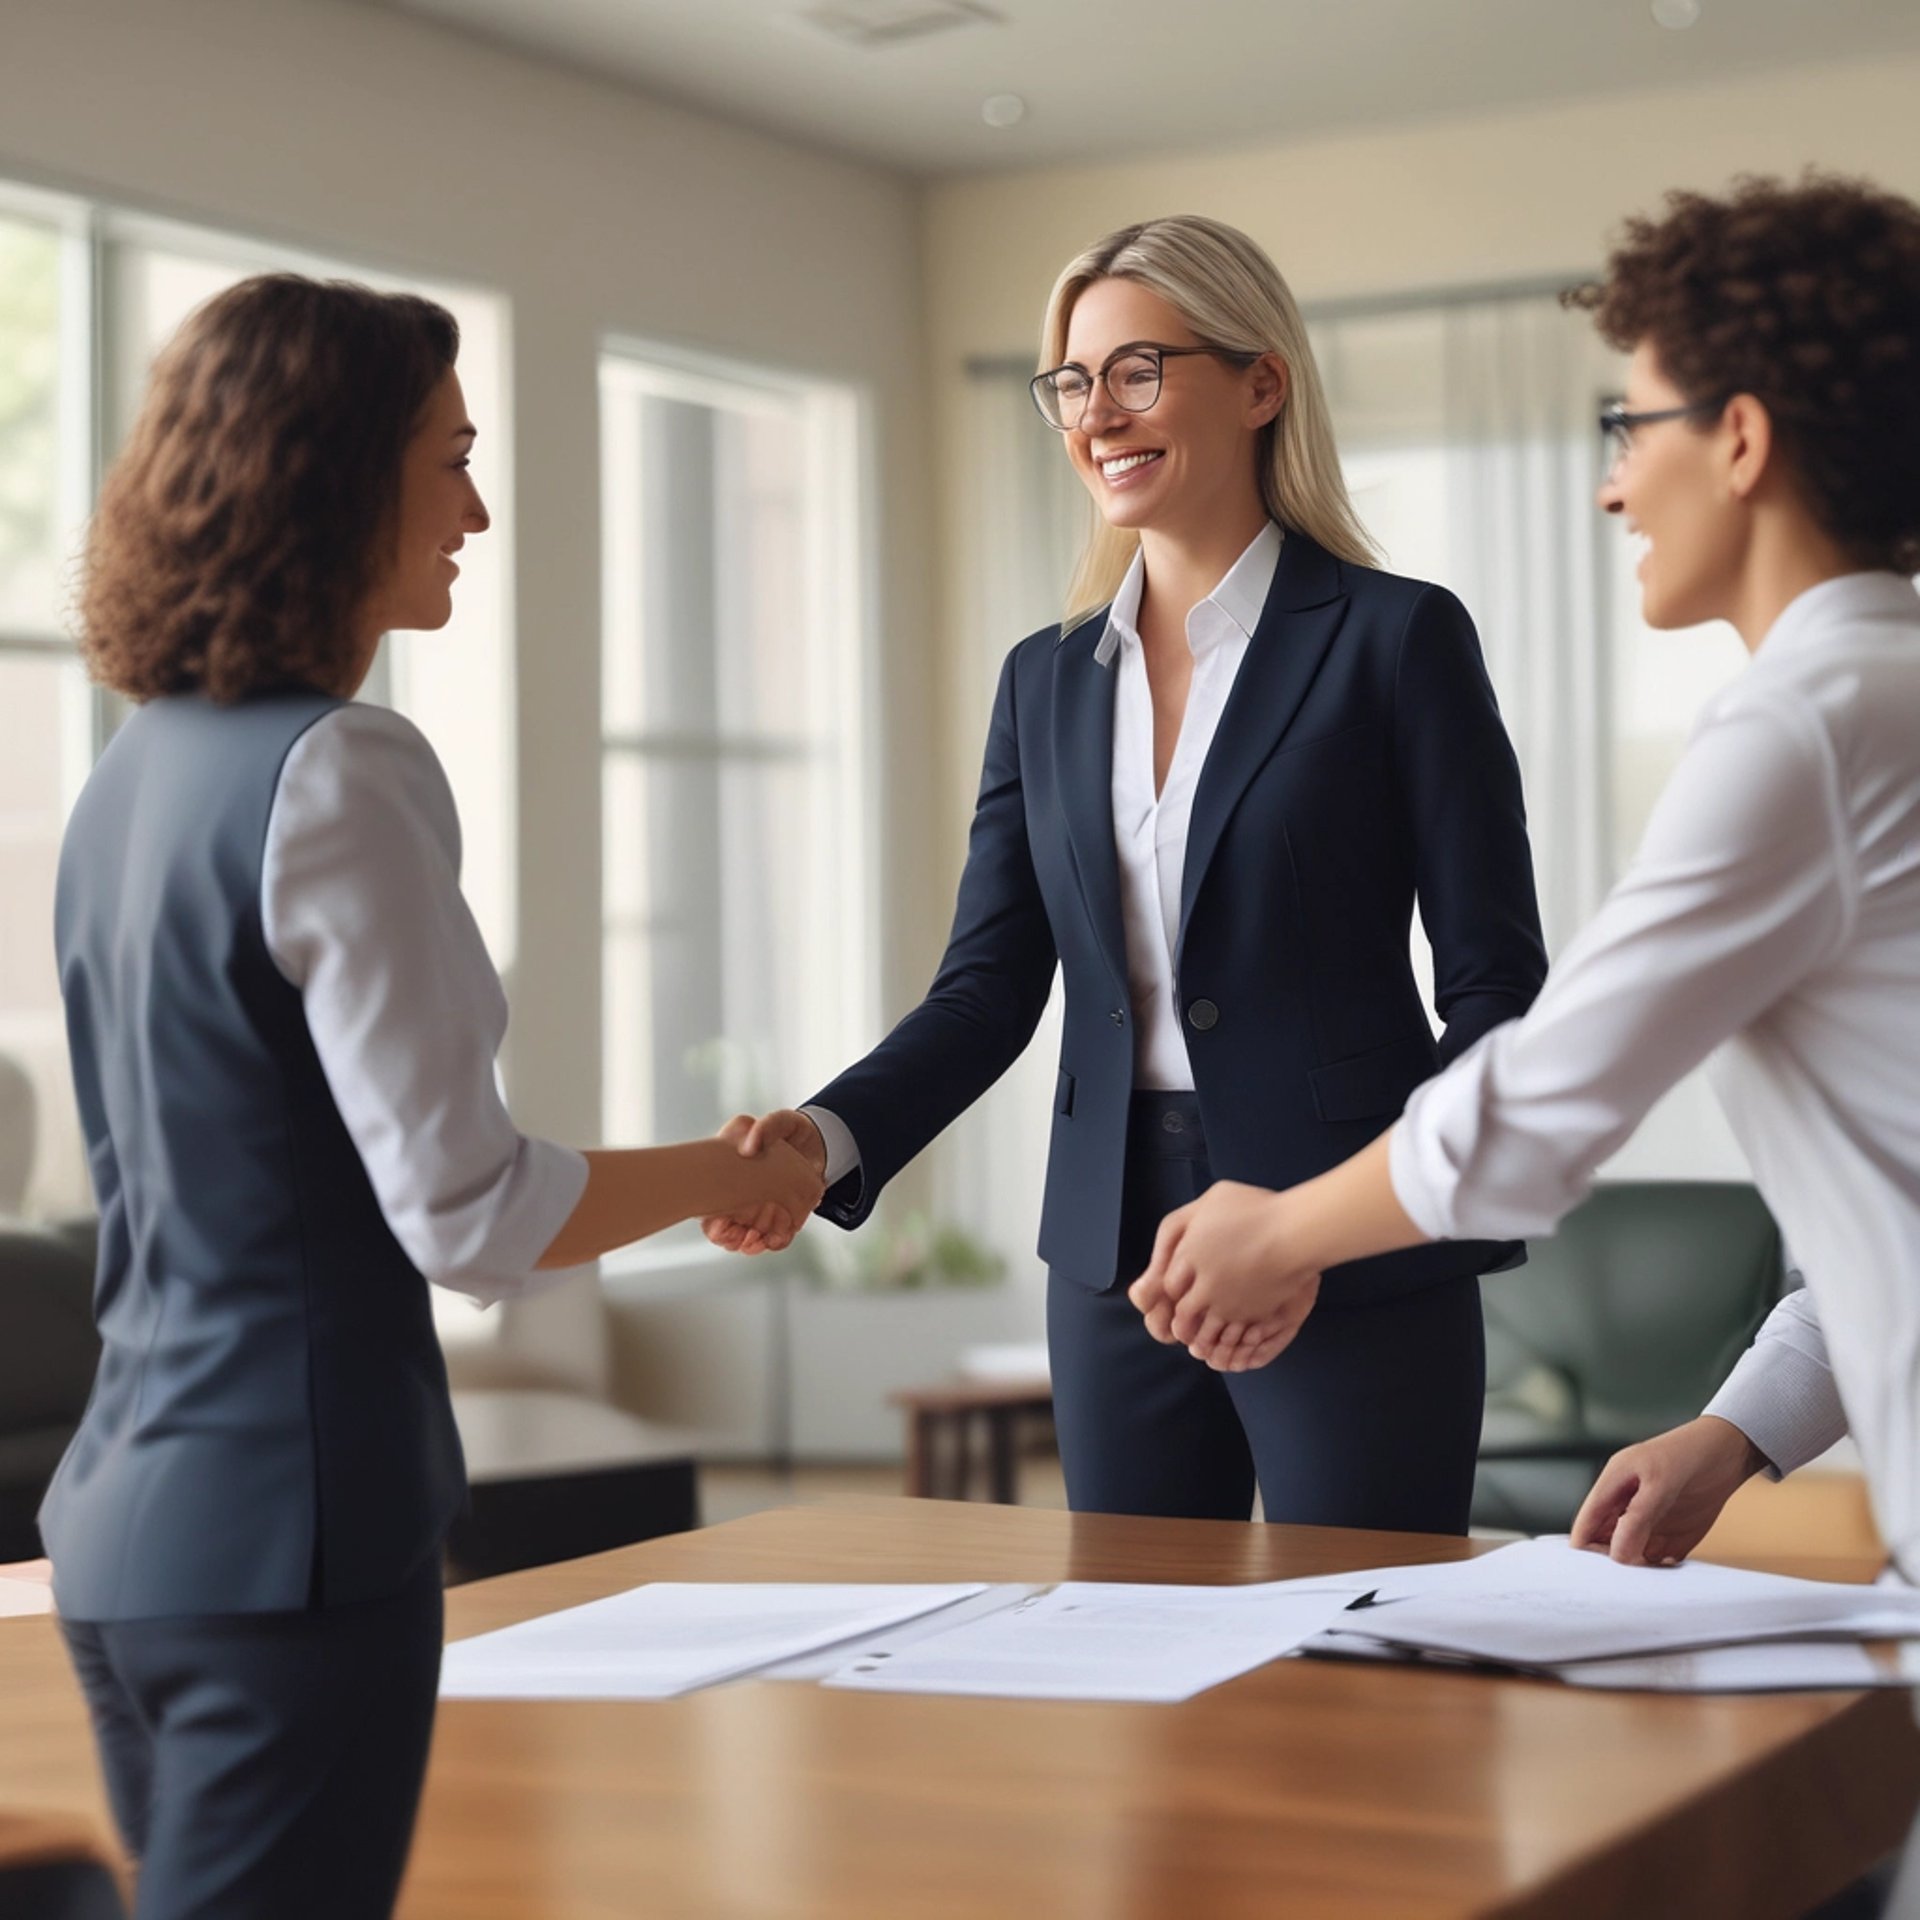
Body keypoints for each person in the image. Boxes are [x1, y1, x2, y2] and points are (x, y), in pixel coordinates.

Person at [43, 274, 821, 1920]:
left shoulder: (129, 774)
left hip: (123, 1538)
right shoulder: (340, 769)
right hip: (292, 1542)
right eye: (449, 460)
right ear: (332, 473)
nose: (476, 507)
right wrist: (728, 1168)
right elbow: (474, 1214)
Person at [1129, 173, 1920, 1584]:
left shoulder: (1808, 722)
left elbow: (1546, 1100)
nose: (1613, 482)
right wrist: (1741, 1429)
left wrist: (1281, 1228)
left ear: (1739, 439)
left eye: (1630, 424)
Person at [707, 215, 1545, 1533]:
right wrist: (824, 1141)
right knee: (1137, 1677)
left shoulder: (1397, 640)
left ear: (1262, 383)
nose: (1098, 413)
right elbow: (987, 989)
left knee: (1376, 1674)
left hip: (1339, 1240)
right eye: (1074, 381)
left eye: (1140, 369)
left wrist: (1346, 1217)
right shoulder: (1044, 683)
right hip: (1111, 1256)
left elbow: (1497, 988)